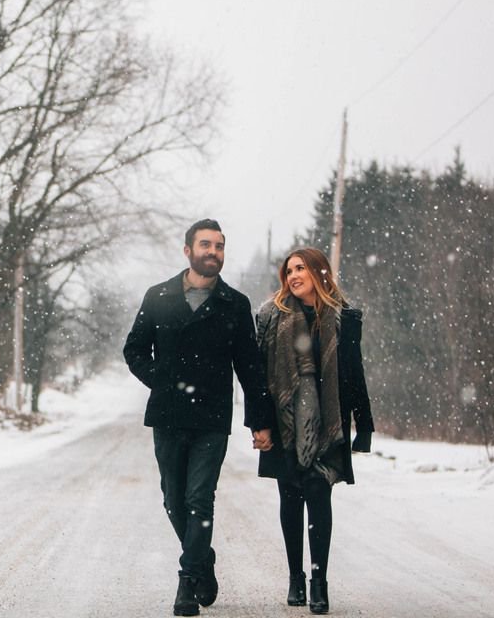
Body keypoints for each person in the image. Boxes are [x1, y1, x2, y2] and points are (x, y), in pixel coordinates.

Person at [123, 219, 275, 617]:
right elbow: (134, 350)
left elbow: (250, 368)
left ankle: (187, 581)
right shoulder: (158, 296)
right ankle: (203, 559)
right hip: (168, 416)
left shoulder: (235, 304)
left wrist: (261, 421)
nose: (213, 252)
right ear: (187, 250)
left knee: (198, 499)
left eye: (220, 246)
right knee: (173, 499)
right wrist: (161, 381)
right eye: (206, 244)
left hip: (211, 418)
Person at [255, 247, 374, 615]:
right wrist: (259, 424)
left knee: (318, 497)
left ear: (319, 271)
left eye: (300, 268)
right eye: (288, 270)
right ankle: (295, 578)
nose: (292, 275)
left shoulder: (343, 317)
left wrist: (364, 424)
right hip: (283, 421)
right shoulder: (271, 316)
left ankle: (318, 580)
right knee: (290, 499)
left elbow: (354, 373)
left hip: (328, 422)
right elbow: (258, 377)